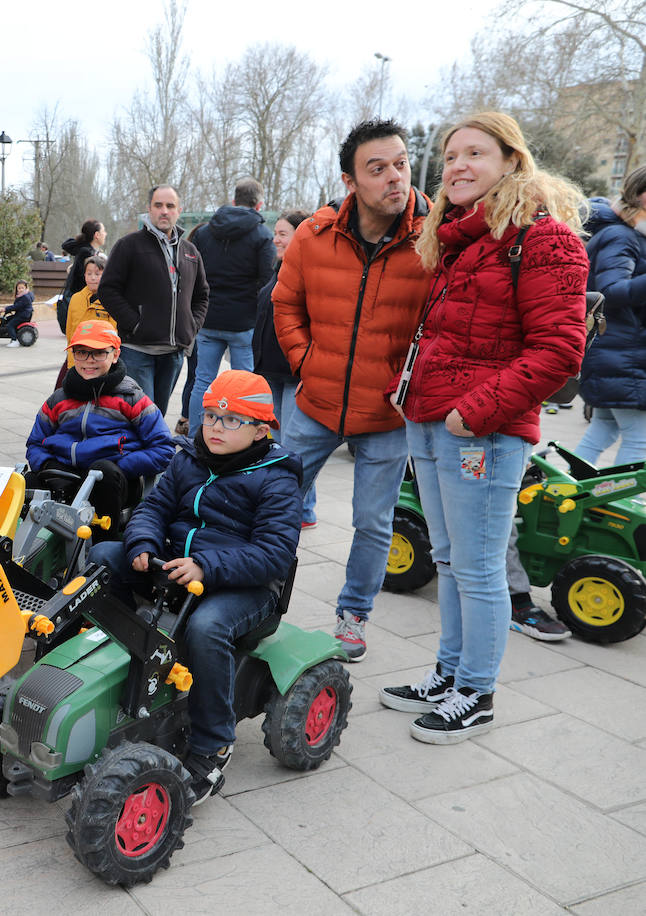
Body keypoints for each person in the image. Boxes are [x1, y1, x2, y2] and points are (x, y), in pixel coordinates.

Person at [380, 112, 588, 744]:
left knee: (477, 568)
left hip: (483, 432)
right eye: (450, 157)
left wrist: (475, 410)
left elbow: (559, 350)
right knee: (448, 559)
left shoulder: (543, 239)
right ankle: (449, 673)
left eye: (476, 153)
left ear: (511, 162)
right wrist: (412, 390)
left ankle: (477, 691)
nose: (459, 166)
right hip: (431, 420)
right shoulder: (459, 239)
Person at [87, 370, 302, 803]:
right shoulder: (189, 457)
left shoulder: (276, 477)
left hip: (246, 586)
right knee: (104, 558)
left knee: (206, 628)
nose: (216, 428)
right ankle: (124, 654)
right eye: (210, 417)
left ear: (262, 430)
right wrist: (144, 543)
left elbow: (274, 554)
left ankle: (213, 742)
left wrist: (207, 566)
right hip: (179, 567)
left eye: (231, 420)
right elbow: (154, 507)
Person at [272, 118, 432, 661]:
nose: (395, 178)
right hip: (315, 407)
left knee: (373, 523)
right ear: (350, 181)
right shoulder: (315, 236)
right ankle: (260, 596)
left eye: (401, 164)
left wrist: (411, 384)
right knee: (274, 502)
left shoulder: (434, 239)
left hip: (388, 416)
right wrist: (305, 360)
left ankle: (354, 614)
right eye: (378, 168)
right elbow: (285, 303)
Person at [26, 320, 173, 527]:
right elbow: (35, 443)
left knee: (104, 472)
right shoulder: (58, 399)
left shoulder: (132, 398)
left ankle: (102, 545)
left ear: (115, 355)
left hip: (115, 481)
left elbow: (164, 449)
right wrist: (47, 465)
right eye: (81, 352)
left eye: (98, 353)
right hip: (65, 475)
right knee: (29, 481)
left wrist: (121, 465)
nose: (89, 360)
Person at [100, 184, 210, 415]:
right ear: (148, 209)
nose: (164, 211)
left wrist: (191, 326)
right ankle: (134, 451)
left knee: (157, 414)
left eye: (170, 206)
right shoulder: (129, 246)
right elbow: (108, 289)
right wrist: (135, 323)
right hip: (137, 350)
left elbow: (202, 295)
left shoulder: (190, 251)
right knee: (142, 415)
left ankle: (154, 452)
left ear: (179, 210)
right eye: (158, 205)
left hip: (173, 353)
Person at [184, 179, 275, 433]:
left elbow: (194, 273)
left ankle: (195, 436)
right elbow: (267, 279)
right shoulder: (262, 235)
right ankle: (240, 435)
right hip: (244, 321)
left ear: (234, 201)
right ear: (259, 204)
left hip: (209, 319)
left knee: (202, 381)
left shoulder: (204, 232)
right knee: (245, 383)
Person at [575, 166, 646, 464]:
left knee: (604, 428)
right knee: (639, 438)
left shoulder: (630, 234)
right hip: (621, 355)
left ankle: (570, 496)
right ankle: (611, 507)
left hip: (617, 354)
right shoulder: (622, 236)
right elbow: (611, 291)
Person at [252, 209, 316, 527]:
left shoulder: (310, 272)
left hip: (294, 375)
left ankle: (303, 510)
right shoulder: (279, 268)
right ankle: (281, 504)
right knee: (273, 444)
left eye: (282, 233)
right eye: (275, 232)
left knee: (295, 446)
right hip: (270, 372)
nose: (275, 238)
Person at [59, 253, 112, 386]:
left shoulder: (111, 299)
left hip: (101, 357)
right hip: (78, 355)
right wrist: (71, 361)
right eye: (89, 274)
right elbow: (70, 330)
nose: (93, 278)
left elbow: (114, 332)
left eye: (97, 274)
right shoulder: (76, 298)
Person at [58, 220, 107, 332]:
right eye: (103, 231)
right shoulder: (86, 253)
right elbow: (82, 279)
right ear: (97, 235)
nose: (105, 234)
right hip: (81, 303)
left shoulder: (85, 251)